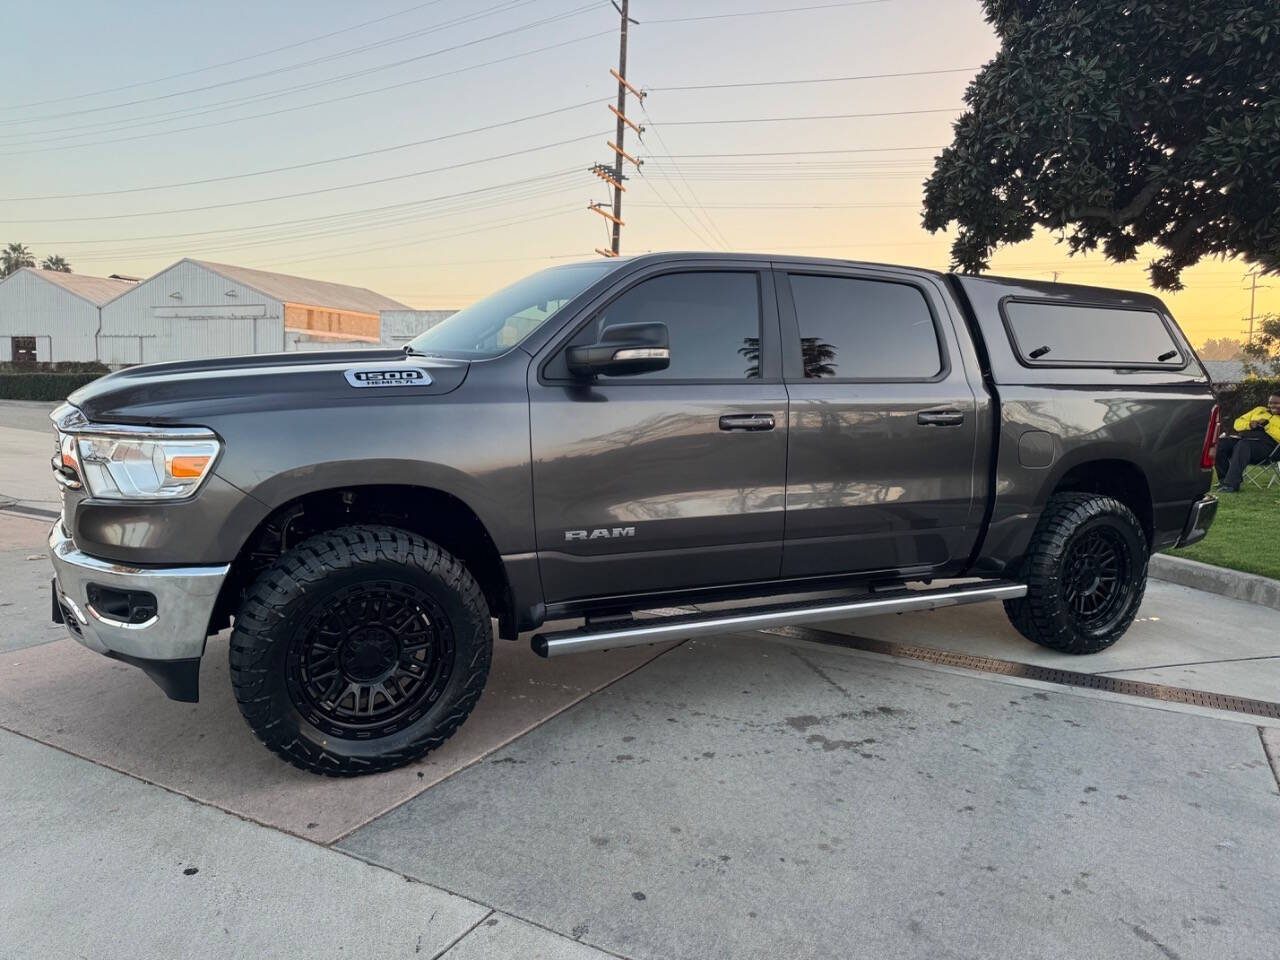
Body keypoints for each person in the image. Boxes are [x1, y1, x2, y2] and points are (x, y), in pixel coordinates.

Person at [1215, 392, 1280, 492]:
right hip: (1246, 440)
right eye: (1270, 403)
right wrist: (1250, 424)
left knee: (1243, 445)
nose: (1272, 406)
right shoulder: (1259, 410)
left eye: (1276, 403)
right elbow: (1237, 423)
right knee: (1220, 444)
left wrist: (1267, 425)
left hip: (1269, 449)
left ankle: (1231, 484)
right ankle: (1224, 480)